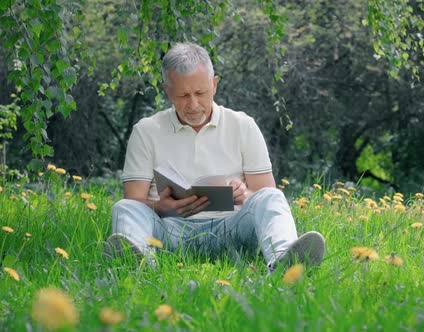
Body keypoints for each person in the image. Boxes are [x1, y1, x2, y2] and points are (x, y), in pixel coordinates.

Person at [106, 42, 325, 272]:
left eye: (200, 93)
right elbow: (134, 198)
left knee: (272, 197)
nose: (193, 104)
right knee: (124, 207)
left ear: (214, 84)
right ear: (167, 91)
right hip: (169, 233)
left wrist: (243, 194)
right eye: (183, 95)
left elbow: (263, 193)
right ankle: (138, 267)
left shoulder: (243, 125)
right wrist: (161, 207)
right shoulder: (146, 131)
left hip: (231, 230)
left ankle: (284, 262)